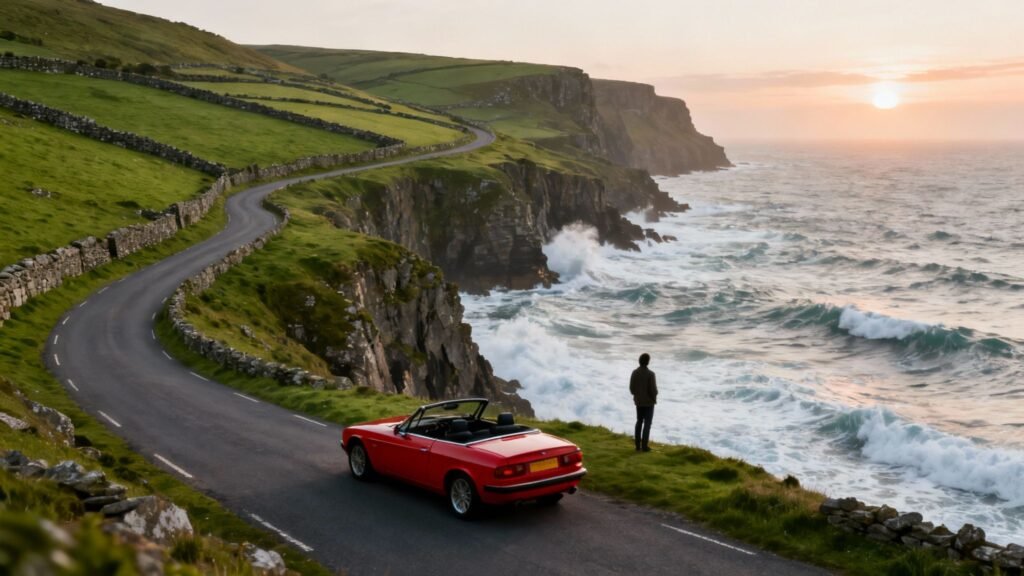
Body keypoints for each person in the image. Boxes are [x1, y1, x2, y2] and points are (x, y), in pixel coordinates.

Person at [630, 353, 657, 452]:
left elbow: (631, 389)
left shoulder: (634, 372)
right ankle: (644, 446)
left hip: (639, 402)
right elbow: (653, 390)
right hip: (649, 403)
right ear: (648, 362)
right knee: (647, 424)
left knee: (639, 421)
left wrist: (637, 396)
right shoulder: (651, 374)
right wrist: (654, 398)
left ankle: (637, 446)